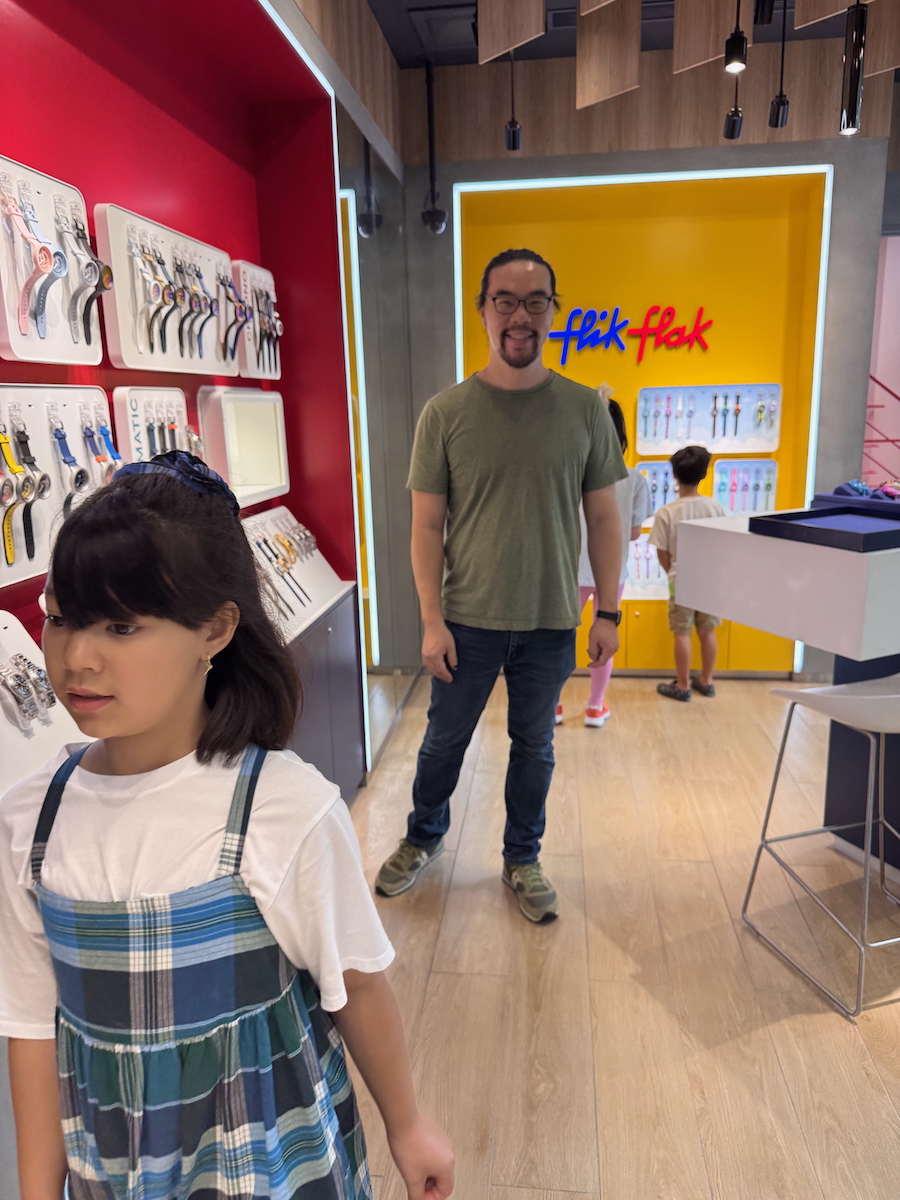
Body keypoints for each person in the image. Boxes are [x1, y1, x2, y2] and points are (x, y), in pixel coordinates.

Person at [0, 452, 454, 1200]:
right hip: (112, 1169)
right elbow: (29, 1024)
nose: (77, 656)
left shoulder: (281, 806)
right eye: (60, 618)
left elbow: (356, 985)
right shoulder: (30, 821)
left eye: (120, 625)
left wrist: (407, 1126)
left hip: (265, 1160)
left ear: (213, 630)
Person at [375, 248, 627, 924]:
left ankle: (523, 857)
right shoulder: (445, 413)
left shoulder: (586, 410)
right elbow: (426, 526)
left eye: (535, 300)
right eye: (506, 301)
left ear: (554, 310)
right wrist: (431, 620)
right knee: (442, 743)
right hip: (467, 622)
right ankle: (422, 837)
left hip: (550, 621)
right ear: (484, 310)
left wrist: (609, 611)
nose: (521, 315)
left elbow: (605, 518)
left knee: (535, 748)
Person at [557, 392, 651, 728]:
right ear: (619, 436)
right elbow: (634, 532)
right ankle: (595, 706)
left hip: (571, 570)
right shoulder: (634, 480)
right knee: (605, 637)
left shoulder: (567, 475)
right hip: (612, 573)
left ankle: (552, 705)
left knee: (559, 640)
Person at [649, 444, 725, 702]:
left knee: (682, 632)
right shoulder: (714, 507)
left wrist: (671, 570)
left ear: (675, 474)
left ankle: (682, 685)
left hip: (680, 579)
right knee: (707, 631)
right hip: (711, 580)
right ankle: (706, 681)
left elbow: (662, 552)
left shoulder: (667, 512)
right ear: (704, 473)